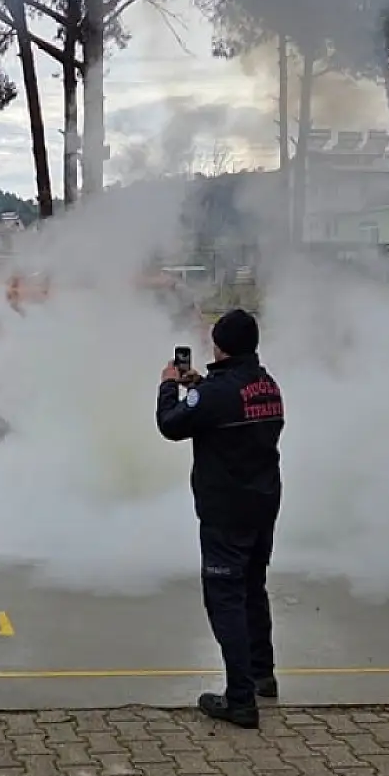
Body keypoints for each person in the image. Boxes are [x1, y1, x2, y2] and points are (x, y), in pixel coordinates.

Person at [156, 309, 285, 730]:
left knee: (224, 596)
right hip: (263, 502)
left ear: (221, 346)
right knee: (252, 586)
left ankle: (240, 699)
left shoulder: (216, 393)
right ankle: (263, 674)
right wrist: (201, 387)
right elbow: (228, 404)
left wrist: (168, 386)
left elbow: (171, 425)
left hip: (225, 509)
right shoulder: (267, 385)